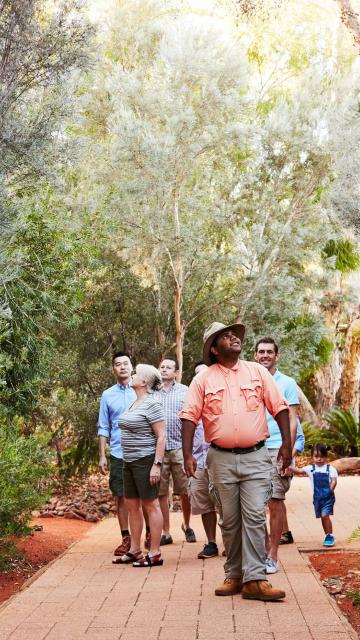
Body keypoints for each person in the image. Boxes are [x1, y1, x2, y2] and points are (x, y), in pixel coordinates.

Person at [181, 321, 291, 601]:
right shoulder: (203, 379)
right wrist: (187, 455)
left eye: (234, 335)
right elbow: (189, 417)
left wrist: (288, 446)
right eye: (225, 337)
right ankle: (235, 574)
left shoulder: (257, 372)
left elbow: (279, 408)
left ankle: (256, 579)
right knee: (229, 520)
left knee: (254, 516)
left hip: (256, 456)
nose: (233, 338)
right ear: (215, 350)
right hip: (220, 459)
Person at [254, 337, 299, 574]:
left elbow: (291, 418)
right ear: (255, 355)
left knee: (275, 500)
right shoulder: (250, 380)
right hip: (253, 447)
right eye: (261, 351)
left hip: (276, 447)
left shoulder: (287, 383)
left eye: (269, 352)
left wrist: (288, 450)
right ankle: (261, 551)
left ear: (276, 356)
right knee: (254, 504)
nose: (265, 355)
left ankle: (273, 554)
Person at [116, 364, 166, 567]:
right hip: (128, 461)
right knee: (131, 505)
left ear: (144, 382)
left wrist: (157, 465)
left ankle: (155, 552)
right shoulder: (135, 402)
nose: (133, 375)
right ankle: (135, 549)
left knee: (150, 504)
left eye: (136, 374)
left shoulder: (152, 404)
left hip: (145, 461)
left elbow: (161, 435)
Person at [98, 351, 136, 557]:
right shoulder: (107, 395)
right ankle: (126, 538)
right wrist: (102, 455)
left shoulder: (141, 389)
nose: (122, 367)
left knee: (142, 497)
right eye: (118, 364)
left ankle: (148, 535)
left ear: (132, 367)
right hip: (118, 453)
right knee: (120, 497)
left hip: (140, 452)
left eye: (125, 363)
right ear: (113, 369)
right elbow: (104, 427)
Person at [155, 357, 196, 545]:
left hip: (179, 447)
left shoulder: (185, 391)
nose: (164, 370)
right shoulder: (153, 392)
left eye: (168, 367)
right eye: (162, 367)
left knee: (185, 490)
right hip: (159, 449)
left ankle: (187, 526)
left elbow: (191, 418)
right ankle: (165, 531)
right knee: (161, 492)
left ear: (176, 372)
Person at [189, 362, 219, 559]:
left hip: (220, 460)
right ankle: (211, 543)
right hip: (198, 462)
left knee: (225, 503)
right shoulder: (190, 404)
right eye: (196, 375)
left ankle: (232, 543)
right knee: (204, 503)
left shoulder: (220, 401)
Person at [291, 443, 337, 547]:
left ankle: (330, 535)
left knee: (325, 515)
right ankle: (327, 535)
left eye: (322, 456)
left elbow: (334, 481)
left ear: (326, 457)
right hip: (317, 498)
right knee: (322, 517)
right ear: (312, 457)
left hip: (328, 497)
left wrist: (330, 490)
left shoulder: (330, 469)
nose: (319, 459)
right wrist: (289, 466)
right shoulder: (310, 469)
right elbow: (298, 471)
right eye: (316, 456)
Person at [280, 420, 305, 545]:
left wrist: (288, 458)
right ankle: (284, 532)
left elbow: (300, 439)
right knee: (273, 499)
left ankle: (285, 533)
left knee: (276, 498)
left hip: (284, 462)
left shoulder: (288, 411)